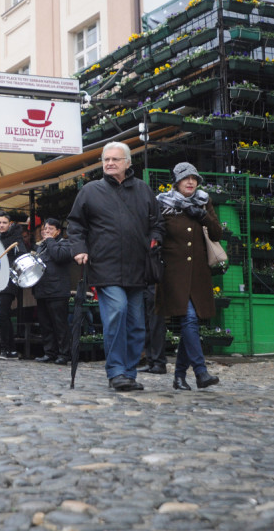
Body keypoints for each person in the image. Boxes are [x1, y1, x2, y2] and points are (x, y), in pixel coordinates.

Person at [67, 141, 164, 391]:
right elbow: (75, 225)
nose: (109, 163)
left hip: (138, 267)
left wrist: (155, 240)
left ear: (128, 163)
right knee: (117, 312)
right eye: (106, 159)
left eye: (115, 159)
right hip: (105, 266)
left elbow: (157, 223)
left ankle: (128, 373)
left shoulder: (143, 190)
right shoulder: (90, 191)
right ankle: (116, 371)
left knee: (136, 324)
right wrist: (79, 249)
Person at [155, 162, 222, 391]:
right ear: (176, 182)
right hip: (173, 273)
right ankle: (201, 372)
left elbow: (217, 233)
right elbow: (155, 232)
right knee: (190, 319)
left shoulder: (203, 201)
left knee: (190, 322)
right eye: (185, 178)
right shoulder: (162, 203)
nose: (191, 182)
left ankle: (179, 377)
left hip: (198, 274)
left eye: (194, 178)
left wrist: (203, 216)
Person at [31, 218, 74, 365]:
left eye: (50, 229)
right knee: (46, 324)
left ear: (58, 231)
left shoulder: (65, 244)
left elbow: (58, 256)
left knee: (60, 324)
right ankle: (49, 352)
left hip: (57, 291)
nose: (46, 231)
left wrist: (49, 240)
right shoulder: (41, 246)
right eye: (45, 229)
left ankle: (64, 354)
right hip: (42, 290)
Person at [0, 211, 25, 360]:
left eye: (4, 223)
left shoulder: (16, 238)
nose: (1, 225)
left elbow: (22, 255)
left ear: (9, 224)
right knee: (3, 315)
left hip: (8, 280)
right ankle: (11, 350)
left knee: (2, 313)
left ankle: (6, 349)